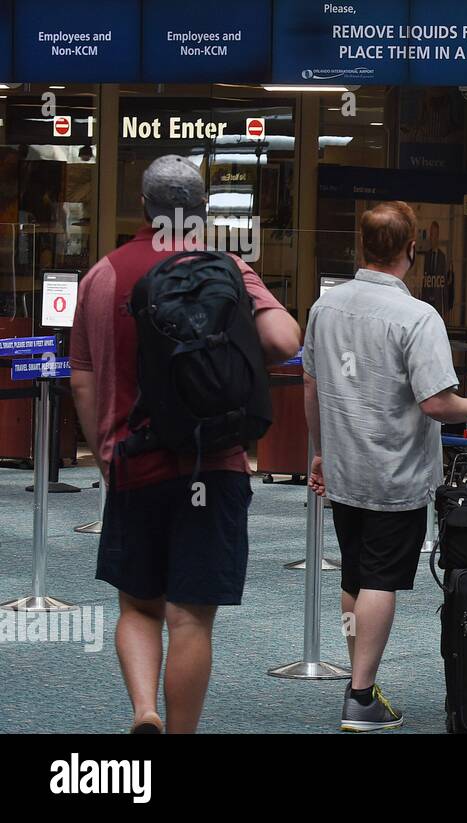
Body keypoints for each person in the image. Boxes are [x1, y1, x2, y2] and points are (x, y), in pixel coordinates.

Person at [69, 155, 301, 734]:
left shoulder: (103, 275)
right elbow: (285, 338)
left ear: (143, 208)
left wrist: (104, 452)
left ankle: (144, 709)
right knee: (191, 618)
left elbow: (82, 376)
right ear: (200, 210)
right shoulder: (223, 266)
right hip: (213, 462)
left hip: (133, 461)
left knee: (138, 605)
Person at [303, 201, 467, 731]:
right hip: (393, 471)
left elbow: (311, 385)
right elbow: (438, 403)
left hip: (345, 466)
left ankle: (362, 679)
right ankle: (359, 696)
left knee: (354, 573)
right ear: (411, 250)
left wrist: (319, 449)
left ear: (362, 246)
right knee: (381, 577)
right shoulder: (417, 317)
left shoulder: (323, 307)